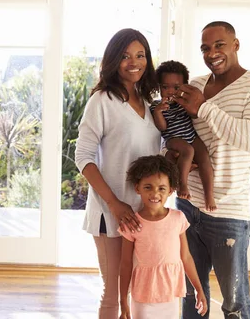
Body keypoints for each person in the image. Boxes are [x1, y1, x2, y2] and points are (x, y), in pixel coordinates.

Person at [173, 21, 250, 318]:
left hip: (228, 211)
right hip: (186, 205)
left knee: (235, 303)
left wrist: (204, 108)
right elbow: (175, 132)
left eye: (219, 44)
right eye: (205, 48)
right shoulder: (193, 86)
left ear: (235, 44)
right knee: (190, 295)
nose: (212, 53)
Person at [75, 28, 162, 318]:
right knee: (113, 293)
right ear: (113, 60)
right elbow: (83, 157)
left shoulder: (150, 102)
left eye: (140, 55)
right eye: (125, 56)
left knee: (135, 291)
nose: (134, 62)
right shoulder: (102, 101)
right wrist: (113, 203)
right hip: (110, 212)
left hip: (143, 213)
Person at [118, 155, 207, 319]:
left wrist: (198, 289)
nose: (155, 193)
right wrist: (123, 299)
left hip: (170, 291)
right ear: (137, 188)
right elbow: (125, 263)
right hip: (143, 293)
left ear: (171, 191)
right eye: (148, 187)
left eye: (161, 188)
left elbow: (186, 257)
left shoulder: (178, 218)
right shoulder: (131, 224)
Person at [150, 60, 216, 211]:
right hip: (173, 139)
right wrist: (159, 112)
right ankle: (182, 184)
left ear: (185, 86)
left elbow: (195, 117)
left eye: (176, 87)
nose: (170, 91)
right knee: (188, 151)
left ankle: (209, 195)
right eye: (165, 87)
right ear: (159, 87)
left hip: (190, 136)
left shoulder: (184, 101)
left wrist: (189, 105)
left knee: (204, 157)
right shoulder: (156, 106)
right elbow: (162, 127)